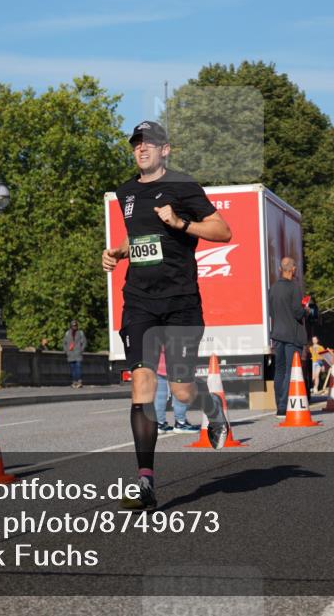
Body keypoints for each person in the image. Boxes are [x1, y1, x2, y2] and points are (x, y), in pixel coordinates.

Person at [102, 121, 232, 510]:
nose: (141, 150)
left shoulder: (183, 187)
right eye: (136, 145)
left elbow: (222, 231)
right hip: (139, 300)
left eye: (149, 144)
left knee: (181, 390)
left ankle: (211, 406)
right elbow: (138, 235)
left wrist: (181, 223)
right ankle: (145, 483)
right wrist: (118, 252)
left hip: (180, 302)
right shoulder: (124, 193)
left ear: (166, 149)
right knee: (141, 386)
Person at [269, 257, 308, 419]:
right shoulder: (295, 288)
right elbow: (297, 312)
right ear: (293, 270)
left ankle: (279, 405)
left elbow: (272, 312)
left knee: (279, 371)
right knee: (290, 372)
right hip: (292, 335)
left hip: (277, 334)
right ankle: (285, 407)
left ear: (280, 269)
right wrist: (305, 309)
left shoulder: (273, 288)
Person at [154, 349, 199, 434]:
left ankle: (159, 424)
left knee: (160, 393)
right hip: (178, 359)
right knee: (180, 389)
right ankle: (180, 423)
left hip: (159, 359)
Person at [63, 320, 87, 388]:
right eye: (73, 326)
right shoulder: (67, 333)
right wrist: (66, 351)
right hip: (70, 354)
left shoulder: (80, 333)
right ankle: (74, 381)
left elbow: (84, 342)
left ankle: (79, 381)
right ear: (71, 326)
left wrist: (81, 350)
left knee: (78, 368)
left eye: (75, 325)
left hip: (78, 354)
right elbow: (64, 343)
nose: (74, 327)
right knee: (72, 369)